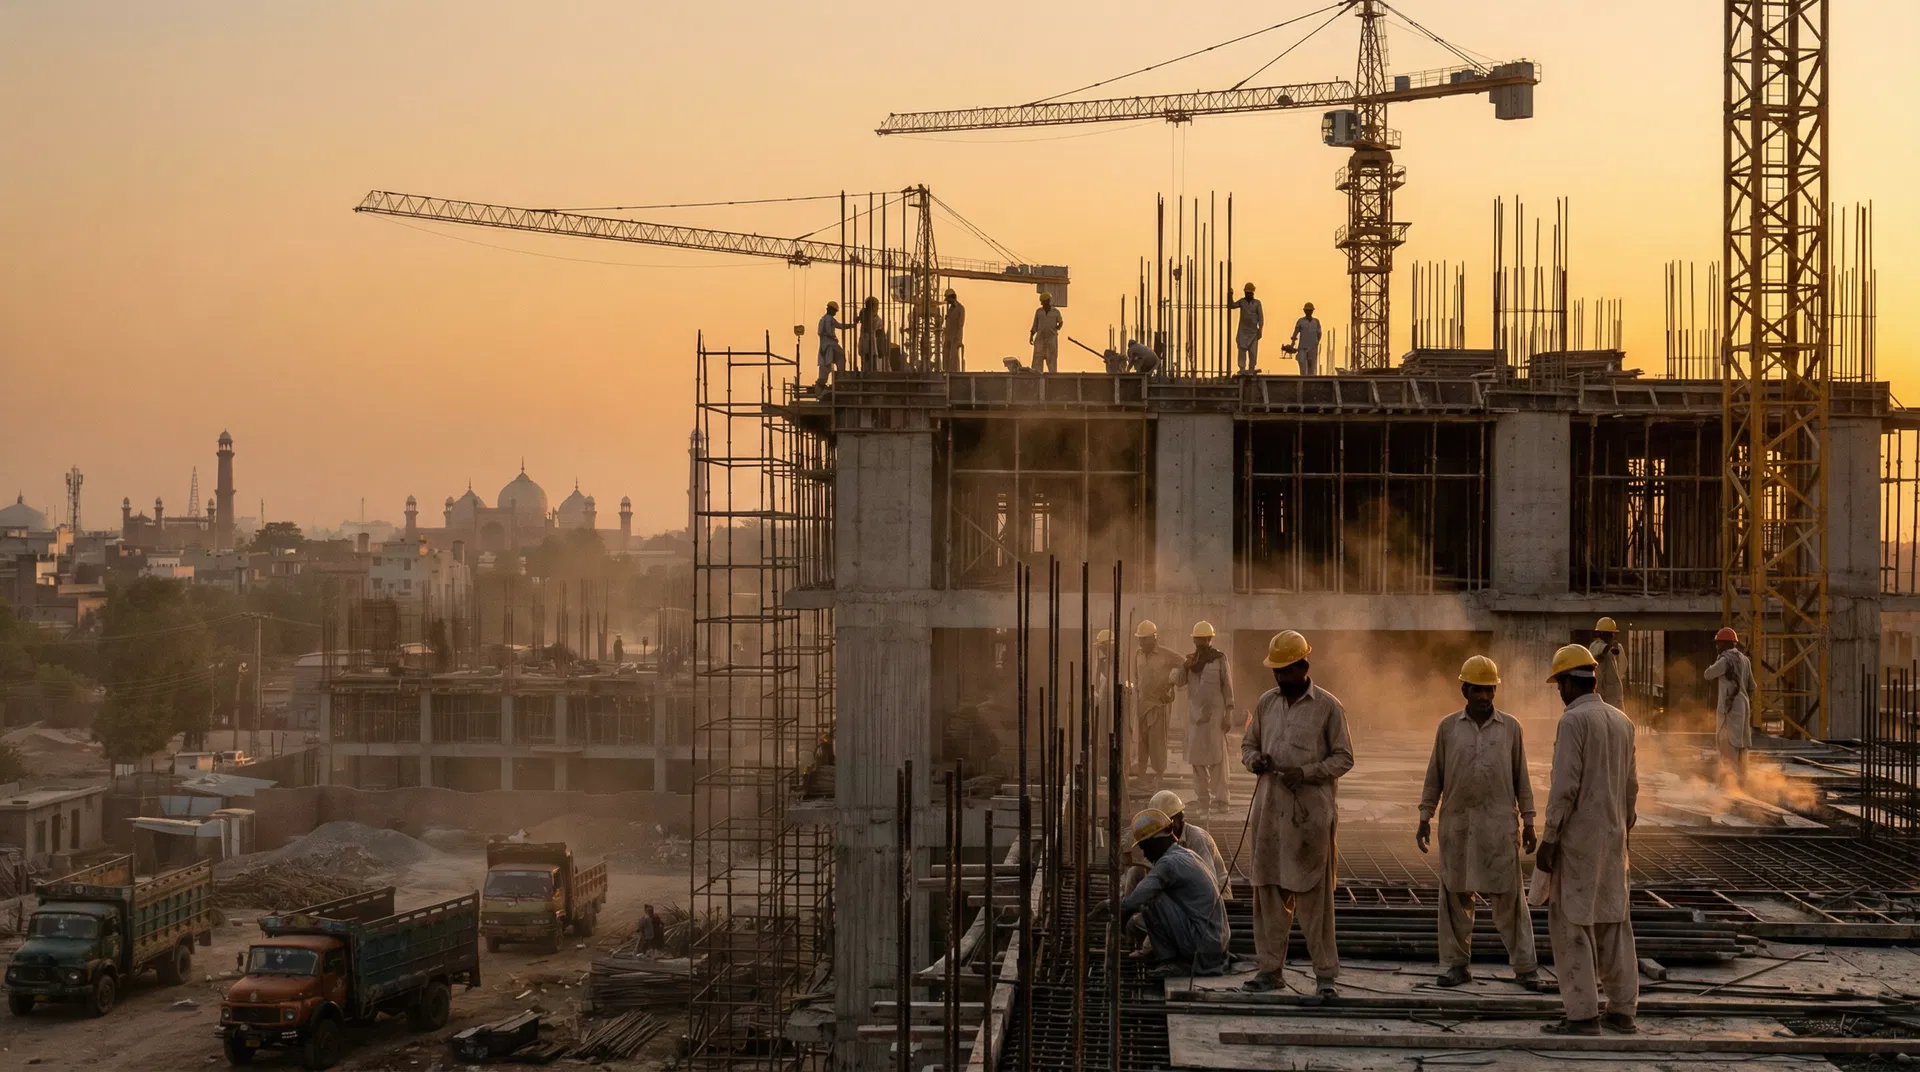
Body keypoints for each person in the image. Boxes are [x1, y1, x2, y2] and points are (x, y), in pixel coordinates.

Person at [1417, 655, 1541, 990]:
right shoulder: (1447, 728)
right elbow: (1435, 775)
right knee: (1455, 898)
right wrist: (1425, 815)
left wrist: (1529, 821)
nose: (1484, 697)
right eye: (1478, 690)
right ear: (1465, 690)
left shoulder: (1510, 728)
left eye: (1489, 690)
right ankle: (1457, 966)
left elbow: (1522, 778)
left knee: (1509, 899)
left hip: (1498, 827)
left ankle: (1525, 967)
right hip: (1457, 826)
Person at [1240, 630, 1352, 998]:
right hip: (1269, 815)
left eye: (1287, 670)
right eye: (1276, 671)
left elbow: (1343, 758)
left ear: (1304, 666)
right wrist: (1255, 760)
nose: (1280, 677)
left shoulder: (1329, 707)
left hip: (1309, 818)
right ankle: (1270, 970)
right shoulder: (1266, 704)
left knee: (1313, 900)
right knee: (1268, 894)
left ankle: (1325, 978)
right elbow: (1248, 744)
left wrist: (1306, 772)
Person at [1536, 643, 1639, 1036]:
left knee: (1571, 923)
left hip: (1578, 840)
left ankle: (1582, 1015)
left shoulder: (1573, 722)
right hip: (1613, 840)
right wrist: (1621, 829)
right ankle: (1623, 1011)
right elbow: (1631, 788)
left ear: (1566, 682)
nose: (1559, 692)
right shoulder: (1621, 721)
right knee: (1614, 921)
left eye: (1558, 684)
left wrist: (1550, 838)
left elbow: (1564, 786)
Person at [1113, 809, 1232, 977]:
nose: (1145, 854)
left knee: (1151, 900)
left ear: (1155, 842)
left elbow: (1136, 898)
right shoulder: (1186, 854)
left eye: (1144, 847)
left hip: (1203, 945)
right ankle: (1176, 956)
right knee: (1153, 898)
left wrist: (1117, 913)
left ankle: (1172, 962)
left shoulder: (1168, 863)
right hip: (1215, 943)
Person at [1173, 621, 1235, 812]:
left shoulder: (1220, 659)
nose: (1200, 642)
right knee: (1198, 762)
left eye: (1203, 639)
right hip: (1195, 720)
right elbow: (1178, 682)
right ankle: (1203, 800)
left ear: (1210, 639)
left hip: (1215, 719)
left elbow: (1227, 687)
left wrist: (1229, 713)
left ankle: (1222, 801)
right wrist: (1185, 666)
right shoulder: (1191, 661)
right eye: (1197, 639)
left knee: (1218, 761)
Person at [1131, 621, 1185, 782]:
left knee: (1157, 744)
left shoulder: (1165, 654)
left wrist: (1171, 682)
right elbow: (1136, 676)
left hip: (1157, 706)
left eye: (1144, 639)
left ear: (1153, 638)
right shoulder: (1138, 654)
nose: (1141, 643)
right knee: (1142, 744)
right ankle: (1141, 777)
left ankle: (1159, 777)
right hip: (1142, 705)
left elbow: (1184, 664)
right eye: (1140, 639)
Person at [1703, 627, 1755, 782]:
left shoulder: (1725, 660)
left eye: (1718, 644)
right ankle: (1742, 781)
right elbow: (1753, 687)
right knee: (1741, 746)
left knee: (1727, 744)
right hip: (1744, 707)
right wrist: (1743, 697)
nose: (1717, 647)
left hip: (1730, 709)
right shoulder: (1745, 660)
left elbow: (1708, 674)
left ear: (1724, 644)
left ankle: (1730, 785)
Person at [1588, 617, 1626, 710]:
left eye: (1612, 634)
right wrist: (1608, 648)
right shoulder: (1595, 646)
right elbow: (1596, 657)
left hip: (1612, 691)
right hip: (1598, 689)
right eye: (1608, 634)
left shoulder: (1617, 647)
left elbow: (1623, 665)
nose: (1611, 636)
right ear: (1600, 634)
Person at [815, 301, 849, 389]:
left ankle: (821, 384)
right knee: (840, 356)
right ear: (830, 310)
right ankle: (840, 378)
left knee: (826, 366)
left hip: (825, 346)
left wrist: (852, 325)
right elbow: (838, 327)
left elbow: (820, 332)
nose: (835, 313)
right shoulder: (828, 319)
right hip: (829, 345)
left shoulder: (823, 319)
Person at [1232, 283, 1265, 374]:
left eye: (1250, 293)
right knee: (1242, 350)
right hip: (1243, 331)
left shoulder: (1257, 303)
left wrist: (1260, 330)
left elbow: (1261, 317)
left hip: (1253, 332)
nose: (1249, 295)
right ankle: (1242, 368)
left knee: (1253, 352)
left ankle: (1251, 368)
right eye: (1247, 293)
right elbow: (1232, 306)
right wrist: (1230, 296)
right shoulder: (1242, 302)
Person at [1030, 292, 1063, 373]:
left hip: (1051, 338)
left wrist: (1058, 327)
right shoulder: (1039, 312)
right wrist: (1031, 335)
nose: (1043, 303)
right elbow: (1035, 325)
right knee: (1037, 360)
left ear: (1048, 301)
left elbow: (1061, 322)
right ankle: (1036, 377)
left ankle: (1052, 377)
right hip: (1040, 338)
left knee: (1051, 360)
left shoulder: (1056, 312)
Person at [1288, 302, 1322, 376]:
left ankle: (1311, 381)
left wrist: (1316, 342)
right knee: (1302, 363)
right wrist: (1292, 344)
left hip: (1312, 347)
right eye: (1307, 310)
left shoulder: (1316, 322)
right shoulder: (1301, 321)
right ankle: (1303, 379)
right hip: (1302, 347)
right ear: (1304, 311)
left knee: (1312, 366)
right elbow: (1295, 333)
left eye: (1310, 310)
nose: (1308, 312)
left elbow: (1319, 334)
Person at [856, 296, 884, 371]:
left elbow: (879, 333)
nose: (877, 308)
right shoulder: (870, 318)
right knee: (868, 361)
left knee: (871, 360)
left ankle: (871, 373)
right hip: (868, 342)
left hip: (871, 343)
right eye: (876, 306)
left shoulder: (876, 319)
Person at [940, 289, 966, 371]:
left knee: (953, 357)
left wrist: (959, 338)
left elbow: (960, 325)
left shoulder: (960, 309)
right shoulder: (950, 309)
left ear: (951, 298)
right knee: (946, 356)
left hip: (955, 337)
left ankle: (954, 372)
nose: (947, 301)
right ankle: (946, 371)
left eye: (947, 299)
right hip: (948, 337)